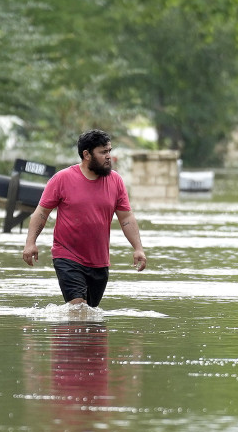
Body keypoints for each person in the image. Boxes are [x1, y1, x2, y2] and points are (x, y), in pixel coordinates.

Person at [22, 129, 147, 307]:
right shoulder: (61, 179)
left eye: (109, 151)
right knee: (78, 307)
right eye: (103, 152)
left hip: (99, 262)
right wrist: (30, 242)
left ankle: (68, 334)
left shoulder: (116, 181)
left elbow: (126, 218)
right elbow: (41, 213)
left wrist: (138, 248)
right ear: (86, 154)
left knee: (90, 313)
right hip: (67, 256)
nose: (108, 156)